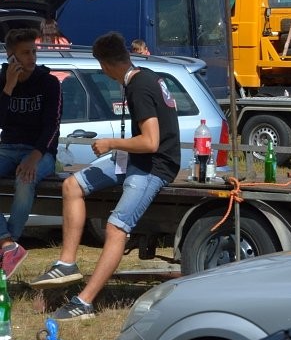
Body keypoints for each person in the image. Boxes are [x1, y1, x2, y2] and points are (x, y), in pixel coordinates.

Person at [30, 32, 180, 321]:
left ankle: (84, 303)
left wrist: (111, 143)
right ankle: (67, 263)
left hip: (153, 167)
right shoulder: (142, 77)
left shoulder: (139, 87)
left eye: (101, 66)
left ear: (106, 64)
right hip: (133, 159)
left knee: (116, 227)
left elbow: (151, 142)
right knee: (72, 185)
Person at [0, 29, 60, 277]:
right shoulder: (2, 80)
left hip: (40, 151)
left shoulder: (49, 82)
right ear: (11, 56)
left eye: (34, 51)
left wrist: (35, 157)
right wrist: (8, 87)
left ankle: (10, 244)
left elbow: (52, 125)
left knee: (25, 179)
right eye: (25, 53)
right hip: (7, 147)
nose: (32, 57)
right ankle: (7, 244)